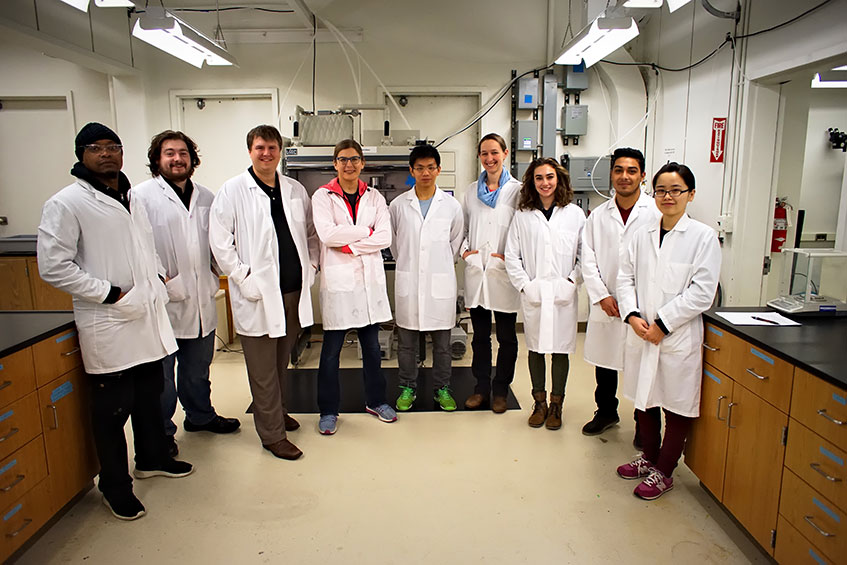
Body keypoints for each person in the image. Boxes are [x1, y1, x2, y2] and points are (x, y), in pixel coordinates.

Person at [38, 122, 193, 521]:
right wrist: (109, 293)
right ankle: (114, 486)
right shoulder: (67, 203)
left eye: (113, 146)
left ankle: (153, 457)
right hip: (110, 318)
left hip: (145, 316)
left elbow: (145, 248)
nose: (107, 154)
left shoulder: (129, 196)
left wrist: (159, 278)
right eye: (97, 148)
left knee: (148, 394)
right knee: (112, 409)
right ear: (81, 155)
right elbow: (53, 267)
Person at [209, 125, 319, 460]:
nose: (267, 154)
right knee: (262, 367)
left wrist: (311, 267)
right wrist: (243, 278)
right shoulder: (232, 190)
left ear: (280, 151)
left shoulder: (295, 190)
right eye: (260, 148)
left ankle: (277, 412)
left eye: (272, 148)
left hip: (291, 292)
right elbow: (220, 242)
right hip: (257, 293)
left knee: (281, 360)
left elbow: (311, 236)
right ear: (250, 151)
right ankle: (272, 434)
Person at [615, 162, 721, 500]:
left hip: (676, 336)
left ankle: (665, 471)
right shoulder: (642, 232)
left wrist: (663, 324)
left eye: (676, 190)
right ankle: (649, 457)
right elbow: (625, 277)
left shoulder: (703, 237)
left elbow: (703, 292)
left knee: (676, 405)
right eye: (661, 190)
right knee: (644, 399)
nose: (668, 196)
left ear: (690, 194)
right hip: (642, 331)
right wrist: (632, 315)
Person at [132, 130, 241, 457]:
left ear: (192, 159)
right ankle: (163, 432)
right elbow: (137, 248)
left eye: (183, 153)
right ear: (157, 159)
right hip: (163, 300)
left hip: (201, 297)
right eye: (169, 153)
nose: (177, 159)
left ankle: (200, 416)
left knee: (197, 370)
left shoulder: (207, 197)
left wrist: (213, 274)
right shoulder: (141, 197)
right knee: (162, 377)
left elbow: (219, 241)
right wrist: (162, 280)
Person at [312, 139, 397, 435]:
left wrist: (351, 245)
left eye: (355, 159)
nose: (349, 165)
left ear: (362, 163)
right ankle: (328, 410)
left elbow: (385, 237)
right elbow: (326, 234)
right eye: (343, 159)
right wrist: (365, 232)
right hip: (338, 286)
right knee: (330, 354)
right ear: (335, 164)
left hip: (368, 286)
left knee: (373, 350)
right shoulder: (322, 197)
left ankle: (376, 400)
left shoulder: (374, 197)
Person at [581, 148, 660, 442]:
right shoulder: (598, 216)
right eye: (618, 170)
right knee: (605, 362)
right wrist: (601, 295)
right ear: (611, 174)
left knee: (642, 366)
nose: (624, 177)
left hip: (644, 304)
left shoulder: (655, 213)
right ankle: (606, 412)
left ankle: (644, 423)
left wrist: (634, 303)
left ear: (641, 175)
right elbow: (587, 258)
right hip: (607, 301)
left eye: (631, 171)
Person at [505, 158, 584, 430]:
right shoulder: (523, 214)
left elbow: (585, 255)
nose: (545, 183)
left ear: (558, 179)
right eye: (539, 178)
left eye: (550, 177)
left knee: (560, 350)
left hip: (563, 292)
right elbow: (511, 256)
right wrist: (526, 286)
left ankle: (556, 405)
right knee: (536, 348)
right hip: (536, 292)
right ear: (532, 182)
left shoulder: (575, 214)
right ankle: (539, 403)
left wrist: (572, 281)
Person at [389, 144, 464, 412]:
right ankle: (407, 386)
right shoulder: (399, 205)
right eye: (419, 168)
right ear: (411, 171)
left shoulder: (452, 206)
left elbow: (454, 244)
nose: (425, 173)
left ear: (438, 170)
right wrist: (414, 264)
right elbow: (395, 244)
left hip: (439, 282)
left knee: (442, 345)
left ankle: (442, 389)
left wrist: (436, 264)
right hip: (410, 281)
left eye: (431, 167)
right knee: (407, 344)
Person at [460, 134, 522, 413]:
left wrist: (510, 257)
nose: (489, 158)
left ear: (505, 153)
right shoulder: (471, 190)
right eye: (484, 153)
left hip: (504, 272)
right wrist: (465, 253)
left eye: (494, 152)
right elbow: (460, 228)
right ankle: (481, 389)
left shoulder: (518, 191)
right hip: (477, 272)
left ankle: (501, 391)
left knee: (507, 337)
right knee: (480, 336)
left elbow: (524, 231)